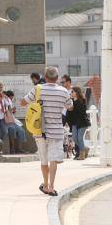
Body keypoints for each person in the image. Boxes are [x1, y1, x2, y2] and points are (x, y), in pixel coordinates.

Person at [39, 66, 73, 196]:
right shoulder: (64, 91)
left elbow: (24, 101)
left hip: (40, 130)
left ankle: (45, 184)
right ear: (57, 78)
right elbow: (70, 107)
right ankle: (51, 187)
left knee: (43, 160)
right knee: (53, 160)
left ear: (45, 77)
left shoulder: (38, 89)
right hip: (57, 131)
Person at [69, 86, 91, 160]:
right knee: (75, 138)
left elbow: (82, 111)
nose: (71, 93)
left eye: (72, 92)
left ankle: (82, 155)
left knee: (80, 138)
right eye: (71, 92)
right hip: (74, 123)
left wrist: (74, 103)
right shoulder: (70, 101)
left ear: (77, 92)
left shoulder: (82, 100)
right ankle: (85, 148)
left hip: (82, 122)